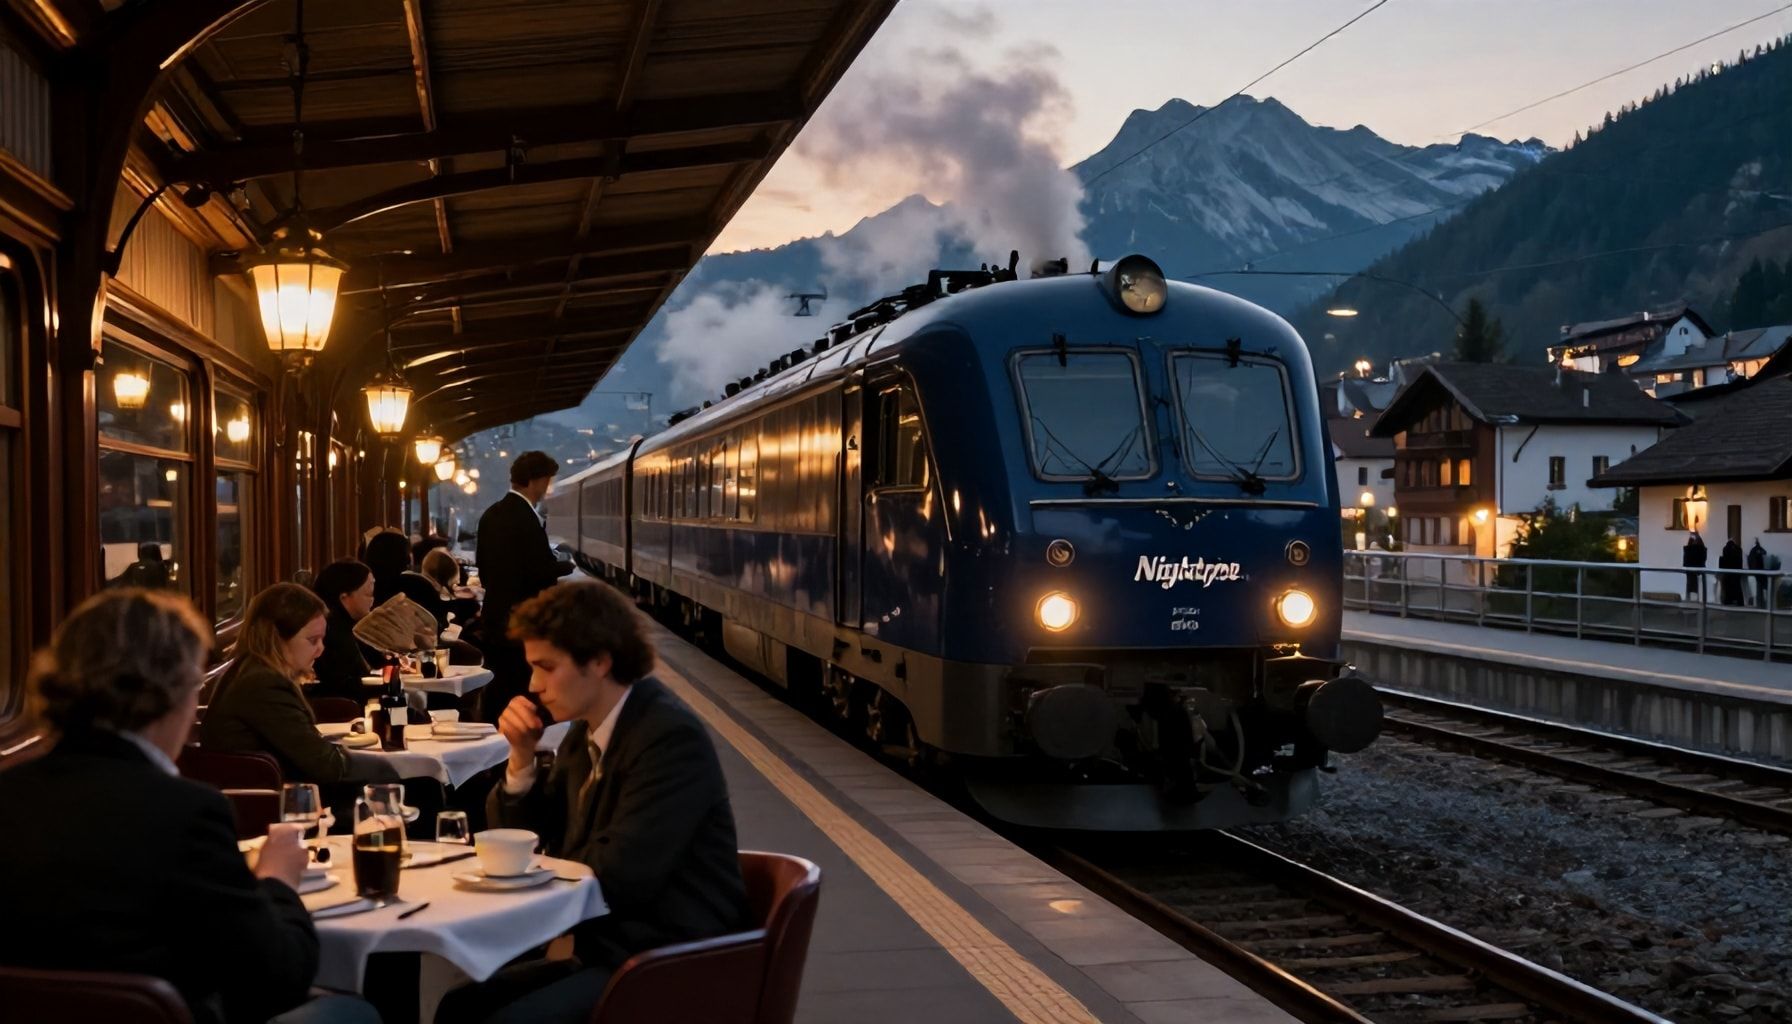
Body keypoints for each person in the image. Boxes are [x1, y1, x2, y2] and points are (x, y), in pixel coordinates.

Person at [0, 589, 378, 1024]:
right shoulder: (186, 812)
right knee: (354, 1010)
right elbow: (280, 973)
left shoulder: (9, 796)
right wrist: (277, 879)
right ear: (175, 692)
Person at [435, 582, 749, 1024]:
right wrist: (522, 757)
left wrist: (558, 927)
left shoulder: (668, 738)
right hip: (610, 946)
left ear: (600, 661)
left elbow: (622, 873)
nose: (533, 685)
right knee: (460, 1007)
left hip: (668, 961)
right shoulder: (588, 732)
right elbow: (530, 836)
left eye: (545, 667)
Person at [199, 584, 402, 791]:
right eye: (313, 640)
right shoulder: (264, 683)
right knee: (392, 775)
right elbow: (325, 765)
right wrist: (386, 768)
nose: (321, 649)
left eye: (322, 639)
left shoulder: (249, 670)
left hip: (274, 787)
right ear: (276, 638)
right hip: (274, 802)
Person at [474, 451, 573, 723]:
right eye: (546, 481)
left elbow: (485, 567)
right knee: (523, 690)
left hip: (495, 617)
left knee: (500, 690)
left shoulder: (491, 514)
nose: (547, 488)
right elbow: (536, 572)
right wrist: (564, 566)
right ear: (535, 481)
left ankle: (495, 749)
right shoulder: (524, 518)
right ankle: (519, 747)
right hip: (523, 620)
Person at [310, 559, 380, 700]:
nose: (372, 600)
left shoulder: (348, 625)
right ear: (344, 597)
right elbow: (346, 686)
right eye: (368, 594)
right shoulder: (332, 630)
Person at [1719, 536, 1745, 607]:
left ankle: (1728, 600)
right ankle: (1739, 602)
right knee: (1737, 587)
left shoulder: (1725, 549)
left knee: (1728, 587)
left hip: (1728, 572)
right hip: (1737, 571)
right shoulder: (1739, 549)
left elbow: (1724, 559)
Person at [1682, 530, 1707, 600]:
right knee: (1697, 584)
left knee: (1690, 583)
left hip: (1690, 568)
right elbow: (1704, 557)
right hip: (1699, 568)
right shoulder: (1701, 546)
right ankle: (1698, 598)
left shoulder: (1689, 547)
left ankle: (1689, 598)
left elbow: (1686, 557)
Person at [1748, 539, 1768, 607]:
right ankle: (1761, 603)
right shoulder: (1757, 549)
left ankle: (1759, 603)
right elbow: (1765, 552)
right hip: (1759, 570)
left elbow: (1750, 561)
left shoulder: (1752, 551)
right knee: (1760, 585)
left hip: (1754, 571)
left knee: (1759, 586)